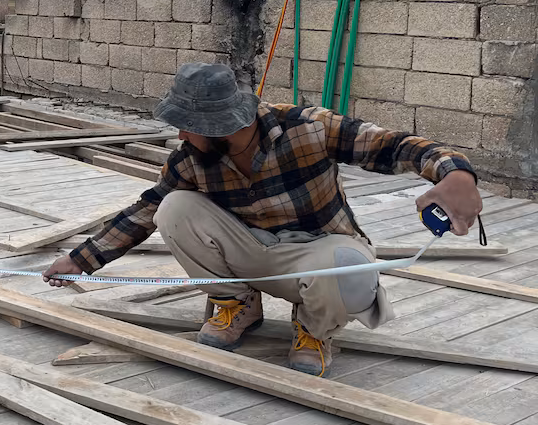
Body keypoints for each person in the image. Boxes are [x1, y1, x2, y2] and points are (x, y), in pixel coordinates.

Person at [42, 63, 483, 377]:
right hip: (251, 255)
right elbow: (145, 211)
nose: (181, 135)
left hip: (317, 254)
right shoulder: (192, 159)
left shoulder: (308, 128)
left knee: (351, 270)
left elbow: (393, 146)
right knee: (173, 207)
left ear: (220, 124)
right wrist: (81, 260)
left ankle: (314, 332)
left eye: (187, 125)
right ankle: (238, 305)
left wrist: (454, 172)